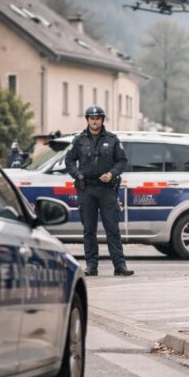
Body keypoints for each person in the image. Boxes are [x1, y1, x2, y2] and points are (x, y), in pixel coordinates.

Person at [64, 105, 133, 277]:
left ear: (102, 120)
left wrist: (112, 173)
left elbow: (122, 161)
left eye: (98, 118)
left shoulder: (112, 139)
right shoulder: (79, 140)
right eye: (92, 118)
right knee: (89, 229)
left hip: (107, 189)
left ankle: (120, 266)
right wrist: (78, 174)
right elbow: (69, 161)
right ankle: (91, 266)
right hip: (86, 188)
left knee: (112, 228)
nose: (95, 121)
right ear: (87, 120)